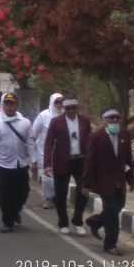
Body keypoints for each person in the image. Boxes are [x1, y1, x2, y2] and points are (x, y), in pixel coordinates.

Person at [82, 109, 134, 256]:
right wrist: (86, 184)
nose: (115, 121)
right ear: (104, 121)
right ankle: (110, 244)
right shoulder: (96, 137)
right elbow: (89, 162)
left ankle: (96, 221)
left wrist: (131, 180)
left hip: (120, 180)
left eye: (117, 118)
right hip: (104, 182)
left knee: (120, 205)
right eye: (111, 118)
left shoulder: (124, 135)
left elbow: (128, 160)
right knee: (112, 214)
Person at [42, 98, 92, 235]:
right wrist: (47, 164)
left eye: (73, 108)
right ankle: (63, 222)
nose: (71, 110)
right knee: (60, 194)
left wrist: (91, 161)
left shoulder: (84, 121)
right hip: (62, 161)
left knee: (83, 191)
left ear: (77, 108)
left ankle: (77, 220)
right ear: (64, 109)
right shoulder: (56, 122)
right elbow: (48, 144)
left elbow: (90, 141)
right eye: (68, 108)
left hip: (80, 161)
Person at [0, 93, 36, 233]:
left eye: (12, 104)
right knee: (5, 195)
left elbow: (29, 141)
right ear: (3, 106)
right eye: (7, 104)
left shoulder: (25, 123)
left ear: (17, 106)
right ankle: (7, 222)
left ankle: (16, 211)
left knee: (23, 192)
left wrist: (33, 160)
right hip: (3, 164)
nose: (10, 107)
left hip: (21, 164)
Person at [30, 93, 63, 209]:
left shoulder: (65, 116)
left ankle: (57, 198)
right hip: (44, 152)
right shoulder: (44, 116)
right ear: (52, 102)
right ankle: (48, 199)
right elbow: (33, 134)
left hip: (60, 153)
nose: (59, 105)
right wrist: (33, 156)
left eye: (61, 102)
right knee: (47, 177)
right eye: (56, 102)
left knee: (59, 176)